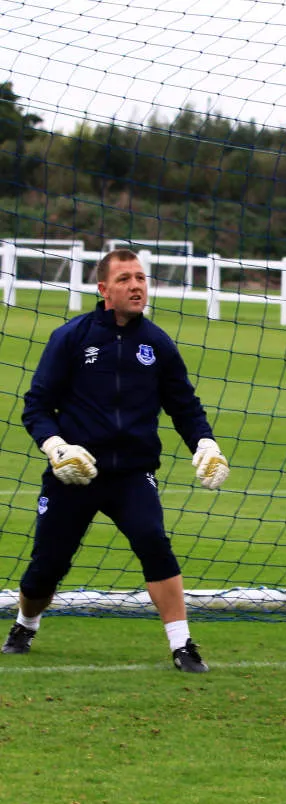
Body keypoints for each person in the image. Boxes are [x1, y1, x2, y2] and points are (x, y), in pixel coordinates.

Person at [4, 249, 230, 672]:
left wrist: (206, 444)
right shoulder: (71, 337)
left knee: (153, 542)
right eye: (125, 278)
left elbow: (184, 406)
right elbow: (36, 406)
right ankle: (25, 622)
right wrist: (57, 448)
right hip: (74, 475)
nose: (136, 286)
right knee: (46, 569)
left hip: (132, 473)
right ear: (104, 289)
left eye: (141, 278)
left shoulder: (158, 344)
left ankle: (183, 646)